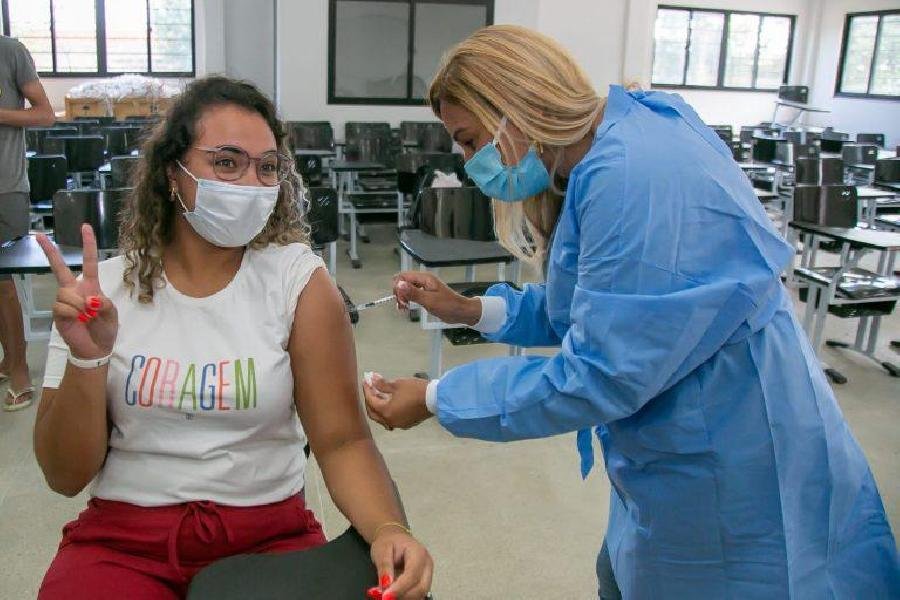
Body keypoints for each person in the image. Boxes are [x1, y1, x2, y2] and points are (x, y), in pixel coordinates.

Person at [363, 25, 898, 598]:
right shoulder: (613, 142)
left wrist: (436, 398)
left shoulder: (631, 177)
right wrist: (470, 309)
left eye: (471, 141)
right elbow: (600, 307)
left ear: (515, 107)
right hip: (675, 446)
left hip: (735, 459)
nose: (470, 164)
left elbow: (600, 373)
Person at [34, 77, 431, 600]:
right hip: (123, 540)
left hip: (268, 535)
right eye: (227, 162)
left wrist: (388, 530)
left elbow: (343, 440)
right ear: (172, 173)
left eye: (267, 167)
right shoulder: (99, 294)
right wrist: (89, 361)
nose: (250, 183)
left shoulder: (299, 284)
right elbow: (64, 475)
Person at [0, 34, 55, 411]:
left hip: (4, 187)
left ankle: (19, 369)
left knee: (1, 284)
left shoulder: (9, 51)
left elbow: (44, 114)